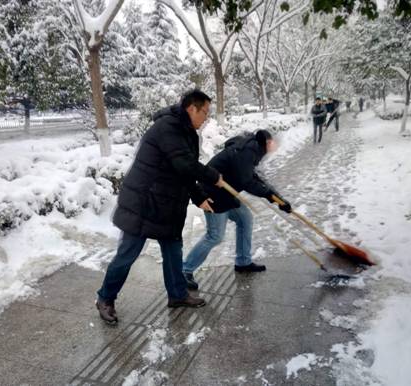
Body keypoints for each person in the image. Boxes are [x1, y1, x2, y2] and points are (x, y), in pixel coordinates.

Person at [95, 90, 223, 325]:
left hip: (168, 204)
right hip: (143, 203)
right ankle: (105, 298)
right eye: (204, 112)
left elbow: (183, 172)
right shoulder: (167, 127)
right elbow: (184, 163)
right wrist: (213, 176)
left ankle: (177, 295)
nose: (206, 117)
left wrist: (198, 196)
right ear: (191, 108)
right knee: (128, 254)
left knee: (173, 251)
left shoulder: (189, 134)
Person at [182, 129, 292, 290]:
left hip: (226, 195)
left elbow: (255, 177)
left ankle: (243, 262)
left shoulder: (252, 149)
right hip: (212, 196)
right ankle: (185, 270)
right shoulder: (247, 151)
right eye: (273, 143)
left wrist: (277, 199)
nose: (274, 146)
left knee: (245, 219)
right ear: (267, 143)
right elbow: (247, 181)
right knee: (215, 236)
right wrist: (268, 194)